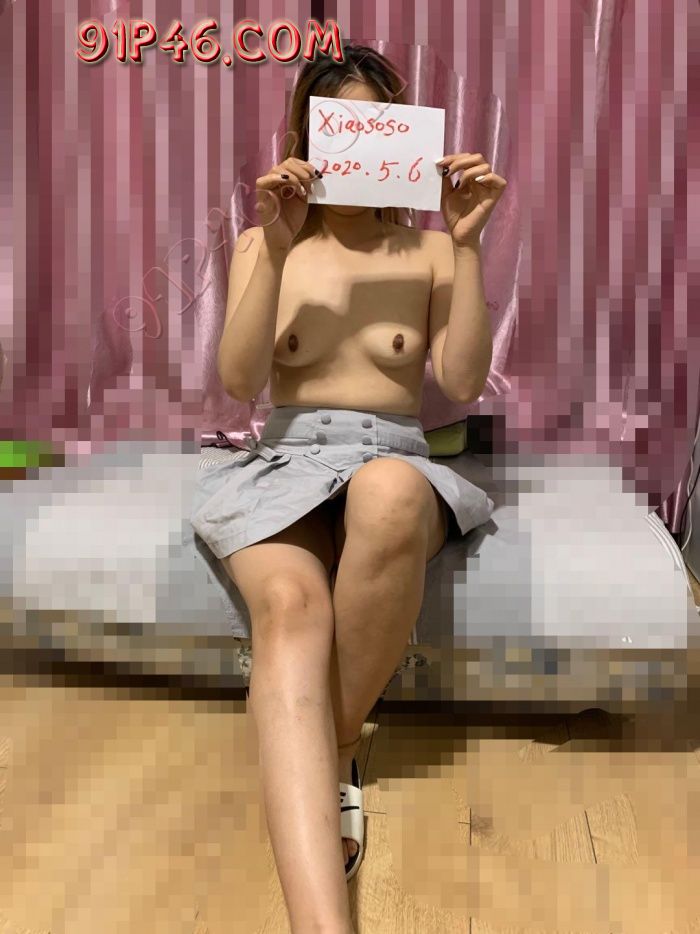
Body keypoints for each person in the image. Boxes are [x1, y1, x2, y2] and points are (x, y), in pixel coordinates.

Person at [191, 43, 506, 934]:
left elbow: (463, 380)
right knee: (291, 610)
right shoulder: (266, 243)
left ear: (401, 139)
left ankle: (327, 746)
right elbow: (239, 381)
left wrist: (469, 246)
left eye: (376, 128)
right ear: (309, 139)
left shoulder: (431, 251)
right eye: (339, 131)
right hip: (285, 457)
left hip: (390, 452)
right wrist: (276, 247)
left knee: (390, 492)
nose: (357, 150)